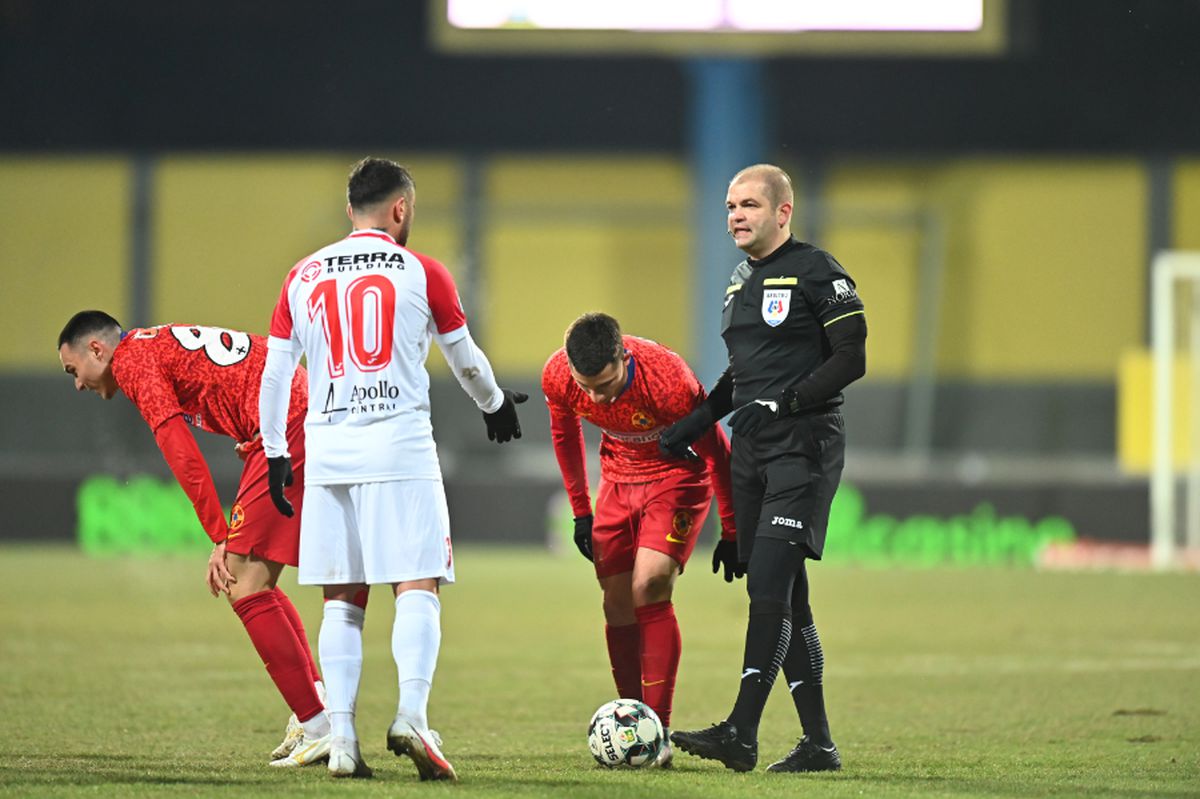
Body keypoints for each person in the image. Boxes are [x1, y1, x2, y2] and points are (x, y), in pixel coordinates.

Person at [259, 156, 526, 780]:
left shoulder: (301, 274)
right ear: (400, 209)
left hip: (327, 452)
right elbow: (465, 359)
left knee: (341, 600)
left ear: (351, 208)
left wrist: (276, 450)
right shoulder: (421, 270)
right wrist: (493, 404)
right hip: (398, 447)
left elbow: (276, 374)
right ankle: (411, 713)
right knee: (418, 582)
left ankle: (343, 740)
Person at [659, 164, 867, 773]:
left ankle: (740, 732)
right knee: (790, 599)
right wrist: (695, 425)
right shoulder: (739, 282)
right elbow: (742, 378)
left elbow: (852, 356)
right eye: (729, 206)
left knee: (768, 588)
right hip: (751, 452)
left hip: (803, 444)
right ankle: (819, 746)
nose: (736, 216)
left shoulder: (818, 271)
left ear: (783, 212)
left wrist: (787, 401)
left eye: (749, 204)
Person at [56, 310, 330, 763]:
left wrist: (219, 535)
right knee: (256, 580)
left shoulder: (132, 362)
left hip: (287, 423)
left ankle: (320, 725)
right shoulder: (149, 345)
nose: (78, 384)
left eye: (74, 371)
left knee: (243, 583)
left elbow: (179, 451)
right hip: (293, 413)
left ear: (97, 350)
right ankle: (316, 714)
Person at [542, 312, 738, 768]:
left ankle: (659, 731)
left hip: (676, 479)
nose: (596, 396)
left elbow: (717, 451)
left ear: (623, 357)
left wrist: (731, 527)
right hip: (617, 480)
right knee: (615, 603)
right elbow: (564, 433)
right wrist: (581, 511)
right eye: (586, 386)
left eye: (606, 383)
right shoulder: (558, 374)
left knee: (648, 585)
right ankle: (634, 723)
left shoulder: (667, 381)